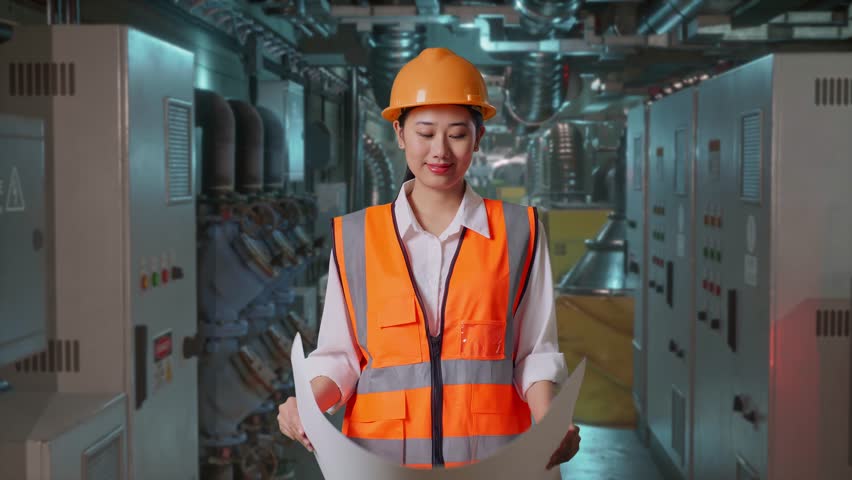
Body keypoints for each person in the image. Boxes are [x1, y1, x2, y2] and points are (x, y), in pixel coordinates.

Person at [278, 47, 580, 470]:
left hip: (493, 466)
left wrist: (552, 422)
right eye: (424, 132)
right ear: (400, 133)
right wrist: (305, 405)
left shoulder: (520, 232)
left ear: (479, 138)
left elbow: (535, 352)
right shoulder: (355, 236)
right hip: (380, 468)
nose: (440, 150)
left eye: (457, 133)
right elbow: (340, 356)